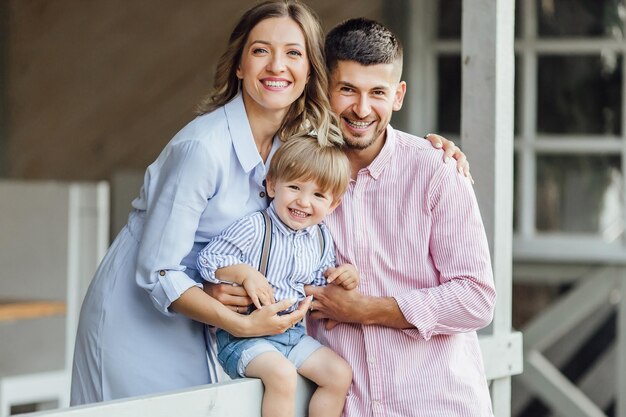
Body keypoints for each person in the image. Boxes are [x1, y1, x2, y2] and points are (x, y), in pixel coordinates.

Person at [71, 0, 464, 405]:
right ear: (239, 65)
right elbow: (155, 273)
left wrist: (436, 150)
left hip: (215, 315)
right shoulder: (201, 150)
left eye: (293, 53)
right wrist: (236, 322)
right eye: (261, 50)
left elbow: (365, 128)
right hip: (139, 316)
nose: (277, 66)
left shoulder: (296, 142)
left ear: (310, 70)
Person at [302, 19, 497, 417]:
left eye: (377, 92)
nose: (361, 109)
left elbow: (477, 299)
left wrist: (364, 309)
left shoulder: (437, 172)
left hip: (438, 405)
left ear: (398, 95)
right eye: (347, 90)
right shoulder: (297, 178)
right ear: (325, 90)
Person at [197, 135, 356, 417]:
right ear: (272, 185)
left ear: (333, 205)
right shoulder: (256, 227)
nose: (303, 201)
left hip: (292, 335)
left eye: (318, 195)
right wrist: (244, 273)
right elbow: (208, 259)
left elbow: (319, 283)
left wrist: (343, 276)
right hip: (244, 338)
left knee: (338, 373)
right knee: (282, 375)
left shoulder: (320, 238)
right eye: (294, 187)